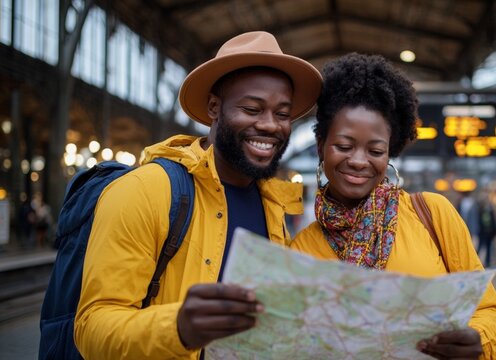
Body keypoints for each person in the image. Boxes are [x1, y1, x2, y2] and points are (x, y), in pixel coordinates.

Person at [74, 31, 322, 359]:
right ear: (214, 107)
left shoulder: (273, 205)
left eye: (282, 113)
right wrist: (177, 328)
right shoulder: (144, 191)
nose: (269, 125)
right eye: (252, 108)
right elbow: (91, 327)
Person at [290, 53, 496, 359]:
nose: (358, 161)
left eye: (375, 150)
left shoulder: (432, 213)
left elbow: (489, 308)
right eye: (343, 146)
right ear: (321, 147)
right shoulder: (302, 249)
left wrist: (478, 338)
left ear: (389, 154)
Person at [477, 197, 496, 267]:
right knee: (480, 247)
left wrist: (495, 231)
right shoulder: (481, 210)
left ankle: (487, 262)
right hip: (483, 233)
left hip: (489, 233)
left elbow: (493, 222)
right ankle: (477, 261)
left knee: (488, 248)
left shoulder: (490, 211)